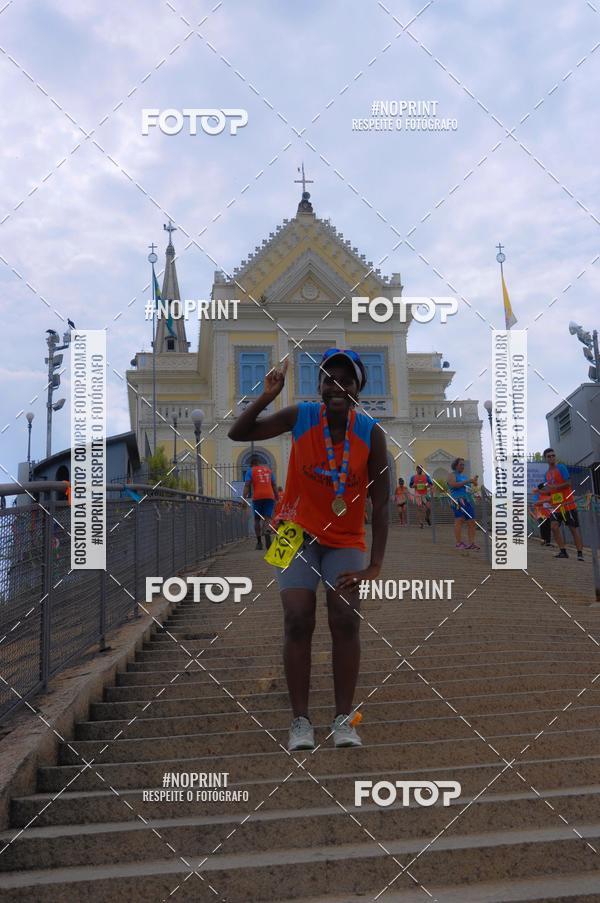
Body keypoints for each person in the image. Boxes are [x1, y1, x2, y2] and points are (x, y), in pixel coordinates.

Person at [228, 349, 389, 751]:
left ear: (357, 389)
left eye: (345, 381)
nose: (336, 387)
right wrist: (267, 396)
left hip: (345, 538)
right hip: (295, 531)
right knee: (298, 618)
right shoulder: (300, 417)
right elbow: (238, 433)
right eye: (328, 380)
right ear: (318, 387)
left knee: (346, 619)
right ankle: (300, 721)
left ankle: (342, 719)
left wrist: (376, 564)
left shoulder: (371, 432)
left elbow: (382, 502)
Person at [542, 448, 584, 560]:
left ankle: (580, 553)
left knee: (573, 528)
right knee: (554, 527)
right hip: (555, 506)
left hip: (568, 504)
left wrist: (555, 487)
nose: (552, 457)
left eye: (553, 455)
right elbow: (548, 490)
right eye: (549, 456)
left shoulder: (561, 467)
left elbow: (569, 482)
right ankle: (563, 552)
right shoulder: (546, 474)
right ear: (545, 458)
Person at [243, 455, 277, 550]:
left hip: (257, 497)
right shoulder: (268, 470)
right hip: (269, 496)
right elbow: (274, 485)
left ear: (251, 464)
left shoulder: (250, 471)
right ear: (259, 463)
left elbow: (247, 485)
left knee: (257, 519)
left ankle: (259, 543)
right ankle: (267, 531)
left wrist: (244, 499)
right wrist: (277, 497)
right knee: (267, 517)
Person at [448, 458, 479, 550]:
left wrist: (474, 482)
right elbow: (454, 485)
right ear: (455, 465)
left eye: (463, 465)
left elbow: (468, 487)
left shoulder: (465, 476)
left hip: (467, 500)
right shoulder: (452, 475)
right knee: (459, 520)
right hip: (457, 500)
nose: (463, 466)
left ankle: (472, 543)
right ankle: (458, 542)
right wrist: (468, 481)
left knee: (471, 521)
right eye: (461, 464)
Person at [531, 482, 552, 546]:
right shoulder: (538, 496)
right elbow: (535, 503)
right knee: (543, 527)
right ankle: (543, 540)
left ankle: (547, 541)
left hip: (549, 514)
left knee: (548, 527)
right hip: (541, 514)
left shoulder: (549, 495)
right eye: (544, 489)